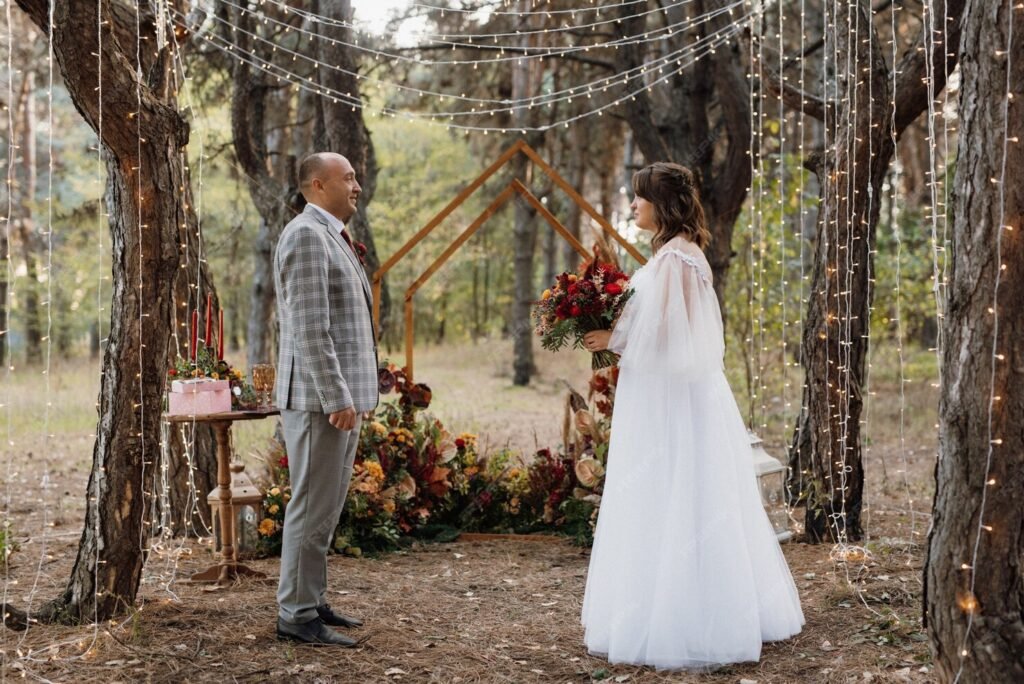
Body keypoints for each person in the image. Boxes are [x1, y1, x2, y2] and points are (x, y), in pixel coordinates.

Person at [580, 162, 804, 669]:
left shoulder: (680, 259)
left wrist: (612, 341)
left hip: (674, 402)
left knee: (683, 491)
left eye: (640, 197)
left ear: (662, 204)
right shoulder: (669, 254)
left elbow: (678, 342)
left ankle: (690, 618)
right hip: (661, 395)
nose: (633, 205)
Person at [273, 152, 379, 646]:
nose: (357, 186)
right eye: (348, 178)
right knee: (311, 506)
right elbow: (311, 330)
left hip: (340, 400)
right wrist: (337, 396)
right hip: (320, 402)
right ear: (317, 185)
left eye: (356, 177)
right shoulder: (305, 236)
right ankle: (294, 615)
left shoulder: (329, 234)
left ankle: (310, 599)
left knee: (325, 509)